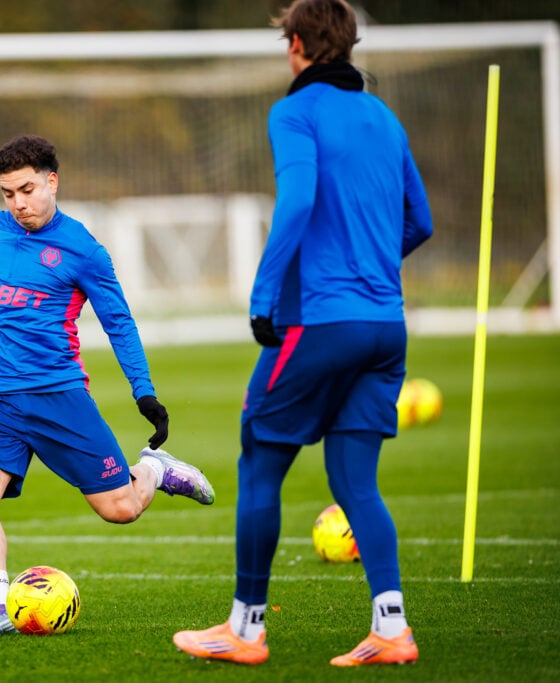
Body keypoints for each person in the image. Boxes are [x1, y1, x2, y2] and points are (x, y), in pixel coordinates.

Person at [173, 0, 433, 667]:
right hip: (386, 326)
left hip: (319, 321)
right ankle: (391, 627)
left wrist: (264, 297)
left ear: (295, 44)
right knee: (355, 480)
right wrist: (368, 266)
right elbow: (420, 221)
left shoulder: (294, 111)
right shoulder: (386, 116)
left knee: (259, 458)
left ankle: (245, 630)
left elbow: (297, 199)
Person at [0, 134, 215, 636]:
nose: (18, 204)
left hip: (59, 395)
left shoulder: (82, 249)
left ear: (52, 182)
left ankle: (154, 470)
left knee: (119, 509)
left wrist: (143, 391)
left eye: (28, 190)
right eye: (8, 194)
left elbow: (119, 322)